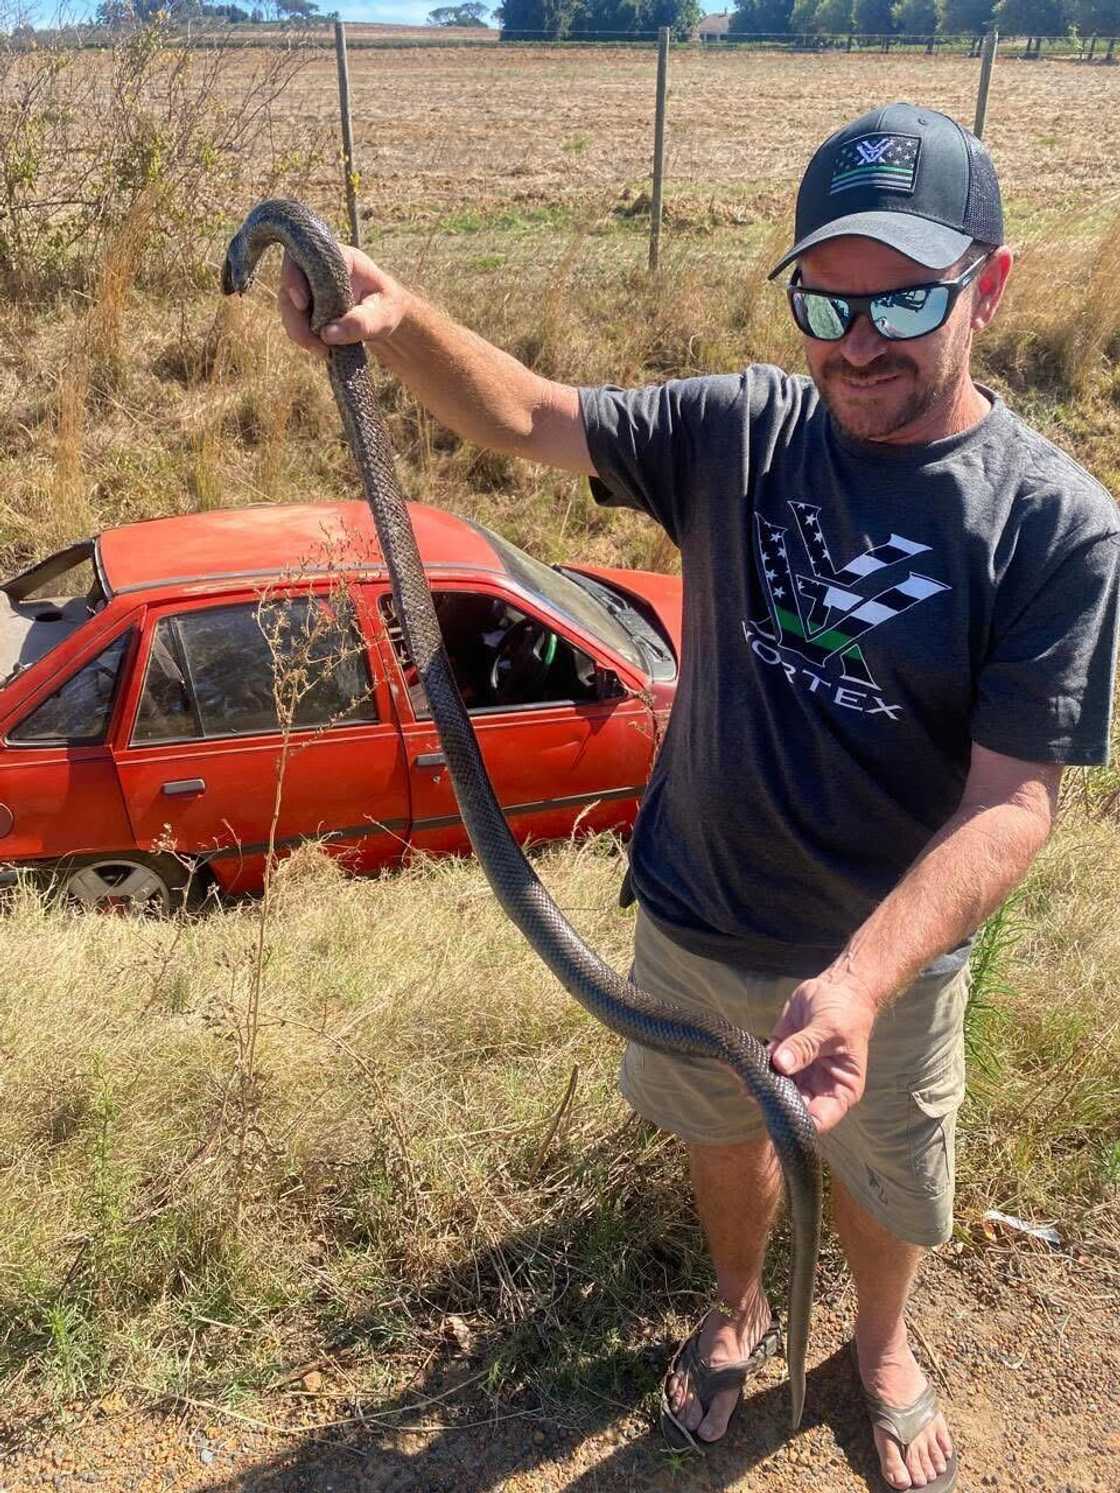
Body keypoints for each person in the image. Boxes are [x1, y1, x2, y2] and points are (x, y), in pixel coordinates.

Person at [277, 103, 1120, 1493]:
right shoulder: (742, 431)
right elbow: (535, 416)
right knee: (723, 1135)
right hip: (700, 910)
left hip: (890, 959)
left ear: (991, 283)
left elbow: (1017, 796)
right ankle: (737, 1303)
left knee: (888, 1173)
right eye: (826, 300)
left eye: (906, 296)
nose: (858, 341)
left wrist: (858, 980)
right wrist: (396, 313)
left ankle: (885, 1345)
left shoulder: (1050, 520)